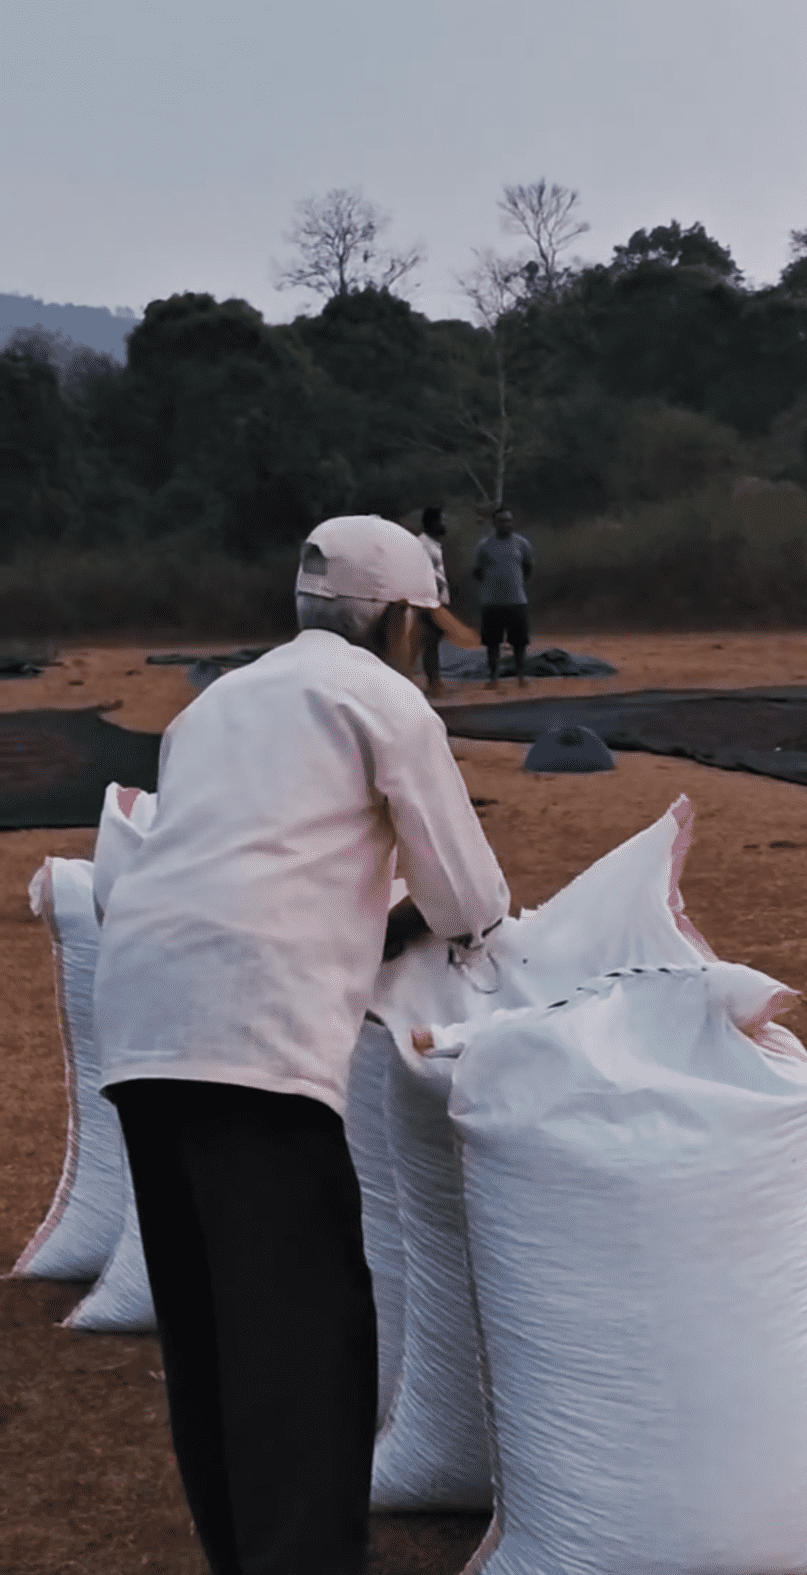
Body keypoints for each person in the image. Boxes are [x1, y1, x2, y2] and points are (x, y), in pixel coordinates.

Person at [93, 516, 510, 1575]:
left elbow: (251, 871)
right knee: (301, 1330)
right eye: (426, 626)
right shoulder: (381, 701)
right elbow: (470, 896)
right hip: (254, 1038)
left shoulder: (214, 705)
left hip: (143, 1023)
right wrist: (435, 922)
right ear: (397, 619)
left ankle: (245, 1554)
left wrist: (380, 922)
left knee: (208, 1325)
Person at [472, 507, 534, 687]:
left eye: (509, 520)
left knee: (519, 643)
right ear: (494, 523)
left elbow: (528, 568)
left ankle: (521, 677)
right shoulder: (484, 546)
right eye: (502, 521)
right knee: (492, 644)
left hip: (516, 600)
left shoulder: (522, 544)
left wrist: (517, 584)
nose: (506, 524)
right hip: (492, 603)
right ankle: (493, 679)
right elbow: (477, 572)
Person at [417, 505, 450, 697]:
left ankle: (435, 681)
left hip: (436, 599)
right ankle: (433, 683)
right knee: (430, 640)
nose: (444, 524)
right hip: (429, 600)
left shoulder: (433, 544)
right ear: (432, 522)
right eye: (441, 520)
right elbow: (423, 572)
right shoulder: (422, 544)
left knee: (434, 640)